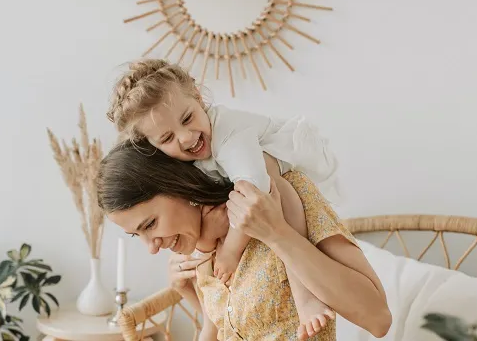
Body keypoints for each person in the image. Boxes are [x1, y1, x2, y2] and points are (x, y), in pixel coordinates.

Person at [105, 58, 342, 335]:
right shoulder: (187, 174)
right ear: (153, 147)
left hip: (286, 161)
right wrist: (203, 249)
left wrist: (230, 250)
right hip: (252, 184)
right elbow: (221, 323)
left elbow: (255, 193)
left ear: (197, 95)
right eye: (168, 138)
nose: (185, 137)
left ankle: (306, 296)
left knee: (274, 189)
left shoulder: (229, 134)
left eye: (188, 118)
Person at [95, 140, 391, 340]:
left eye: (151, 224)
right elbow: (242, 326)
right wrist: (187, 291)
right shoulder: (199, 247)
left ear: (179, 186)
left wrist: (278, 234)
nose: (152, 247)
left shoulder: (283, 196)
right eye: (138, 235)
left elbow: (378, 319)